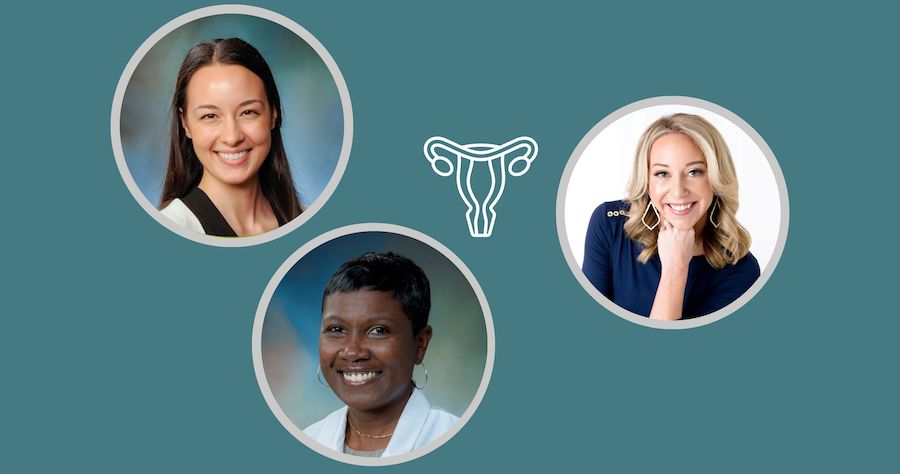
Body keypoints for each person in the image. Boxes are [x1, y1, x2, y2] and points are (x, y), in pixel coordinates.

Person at [582, 113, 760, 320]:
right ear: (646, 181)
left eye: (694, 172)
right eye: (662, 173)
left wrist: (676, 268)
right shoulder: (609, 223)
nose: (678, 191)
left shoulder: (741, 271)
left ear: (716, 178)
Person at [305, 252, 458, 457]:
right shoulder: (310, 439)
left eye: (378, 330)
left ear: (421, 343)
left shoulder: (453, 436)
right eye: (337, 330)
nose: (352, 351)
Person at [159, 38, 302, 237]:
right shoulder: (173, 227)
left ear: (273, 114)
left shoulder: (303, 216)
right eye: (210, 116)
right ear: (185, 123)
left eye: (248, 112)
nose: (232, 137)